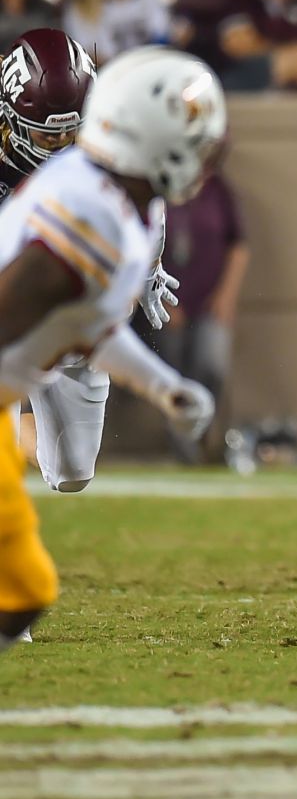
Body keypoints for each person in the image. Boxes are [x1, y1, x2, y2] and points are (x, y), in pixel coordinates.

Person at [0, 46, 223, 654]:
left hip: (31, 367)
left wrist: (161, 386)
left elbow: (89, 326)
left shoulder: (123, 204)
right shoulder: (89, 213)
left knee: (25, 587)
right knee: (20, 592)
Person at [153, 164, 245, 462]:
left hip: (209, 301)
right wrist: (159, 297)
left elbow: (238, 244)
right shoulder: (155, 185)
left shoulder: (218, 190)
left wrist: (226, 296)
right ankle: (183, 448)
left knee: (212, 365)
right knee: (171, 374)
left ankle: (204, 435)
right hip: (167, 301)